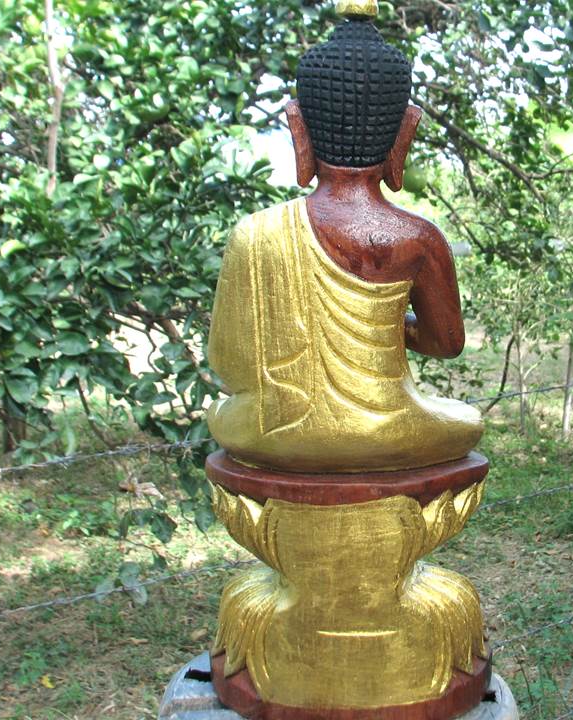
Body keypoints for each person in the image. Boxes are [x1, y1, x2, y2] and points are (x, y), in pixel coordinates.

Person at [206, 1, 482, 472]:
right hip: (388, 430)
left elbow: (227, 364)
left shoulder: (253, 234)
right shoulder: (419, 238)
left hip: (271, 435)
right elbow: (445, 343)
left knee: (224, 413)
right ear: (405, 132)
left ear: (298, 126)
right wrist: (385, 325)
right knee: (464, 420)